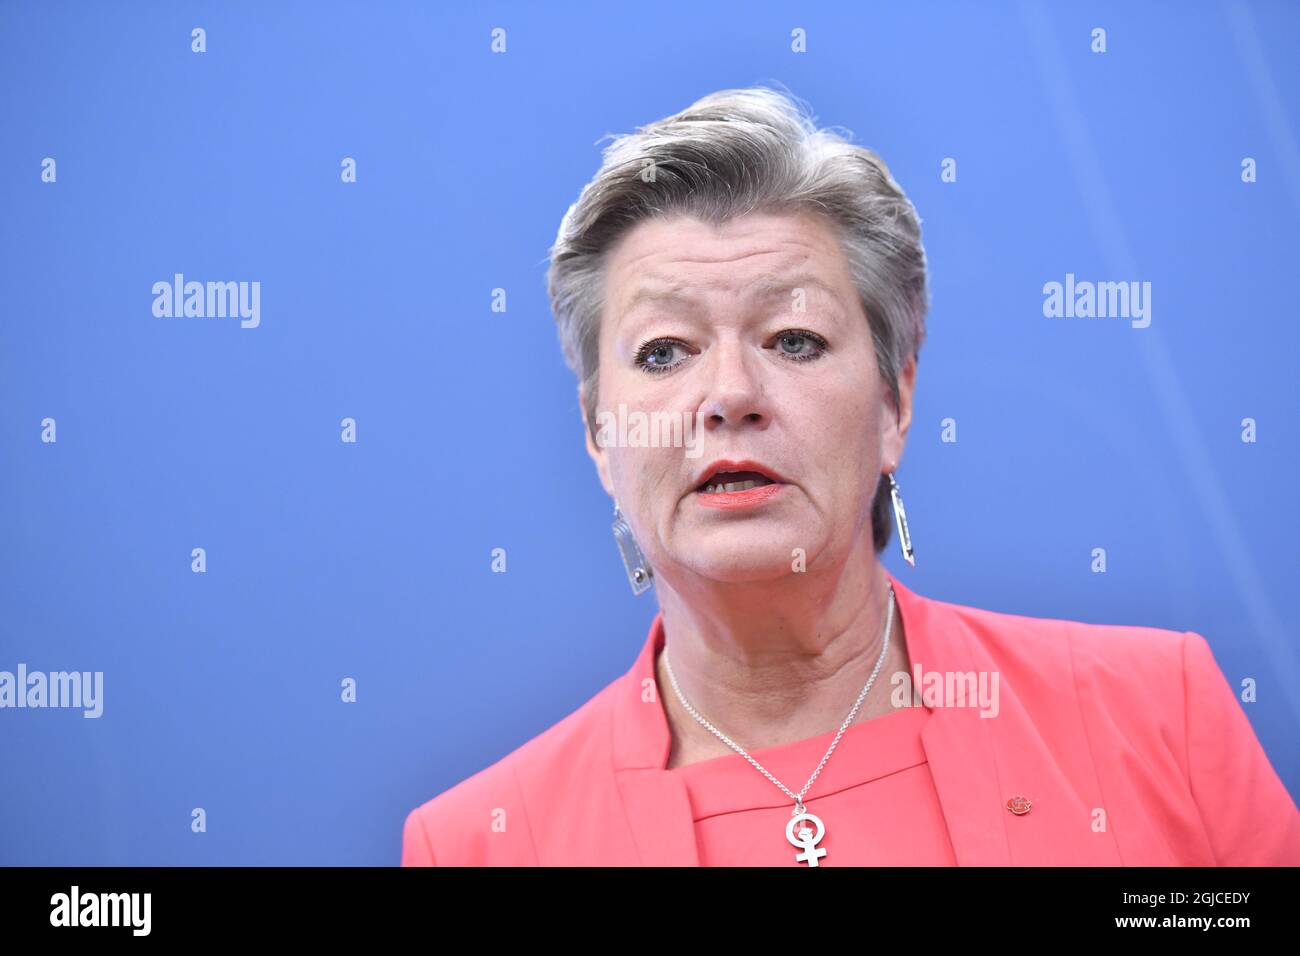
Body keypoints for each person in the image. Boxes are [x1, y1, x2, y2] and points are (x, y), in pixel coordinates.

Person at [401, 86, 1300, 866]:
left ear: (894, 402)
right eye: (665, 351)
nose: (730, 396)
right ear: (601, 433)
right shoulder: (484, 842)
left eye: (794, 340)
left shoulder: (1154, 719)